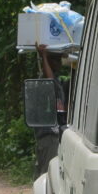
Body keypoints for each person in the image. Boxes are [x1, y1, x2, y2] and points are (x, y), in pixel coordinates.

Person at [34, 44, 68, 177]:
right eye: (57, 60)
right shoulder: (46, 82)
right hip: (49, 134)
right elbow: (49, 81)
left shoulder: (58, 81)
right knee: (47, 173)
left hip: (55, 134)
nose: (59, 64)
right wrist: (44, 56)